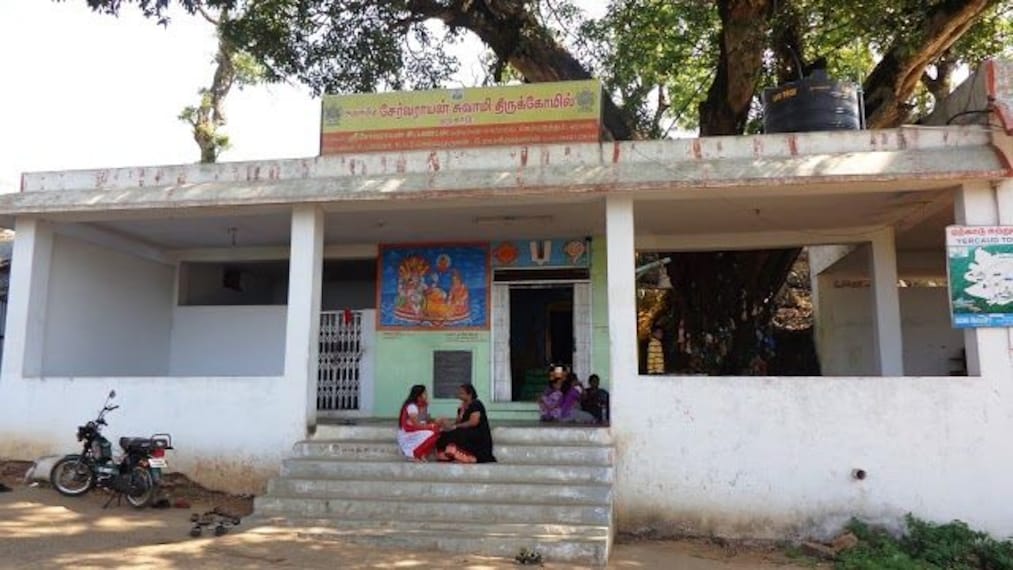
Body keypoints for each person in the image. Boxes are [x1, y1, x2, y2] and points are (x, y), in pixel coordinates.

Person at [436, 384, 496, 463]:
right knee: (444, 434)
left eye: (462, 393)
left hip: (477, 433)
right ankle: (447, 455)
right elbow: (458, 422)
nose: (459, 395)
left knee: (459, 433)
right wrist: (446, 423)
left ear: (469, 394)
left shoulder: (476, 404)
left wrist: (456, 426)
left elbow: (473, 422)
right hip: (465, 430)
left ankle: (466, 455)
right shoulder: (462, 407)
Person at [396, 384, 441, 462]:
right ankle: (415, 454)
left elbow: (424, 419)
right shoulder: (412, 406)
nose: (427, 395)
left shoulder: (420, 405)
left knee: (437, 431)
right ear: (419, 395)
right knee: (432, 433)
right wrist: (430, 426)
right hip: (409, 433)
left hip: (415, 430)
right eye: (425, 393)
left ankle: (422, 454)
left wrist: (425, 408)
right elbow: (416, 424)